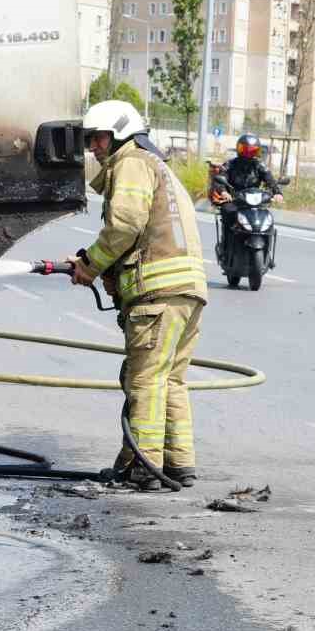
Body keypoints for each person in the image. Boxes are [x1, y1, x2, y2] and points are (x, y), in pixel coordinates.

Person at [69, 100, 207, 490]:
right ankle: (178, 465)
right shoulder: (157, 164)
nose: (92, 148)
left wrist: (91, 265)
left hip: (158, 296)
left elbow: (126, 224)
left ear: (119, 134)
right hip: (187, 293)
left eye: (97, 139)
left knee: (145, 380)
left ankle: (145, 468)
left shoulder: (131, 162)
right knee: (171, 380)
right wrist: (93, 262)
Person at [210, 133, 282, 259]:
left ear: (258, 151)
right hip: (234, 200)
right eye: (245, 150)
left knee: (267, 217)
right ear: (239, 149)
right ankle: (225, 247)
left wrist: (277, 193)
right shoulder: (230, 165)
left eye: (253, 150)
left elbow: (270, 180)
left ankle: (267, 254)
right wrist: (224, 192)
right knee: (227, 211)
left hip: (254, 201)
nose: (249, 154)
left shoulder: (260, 166)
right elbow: (219, 179)